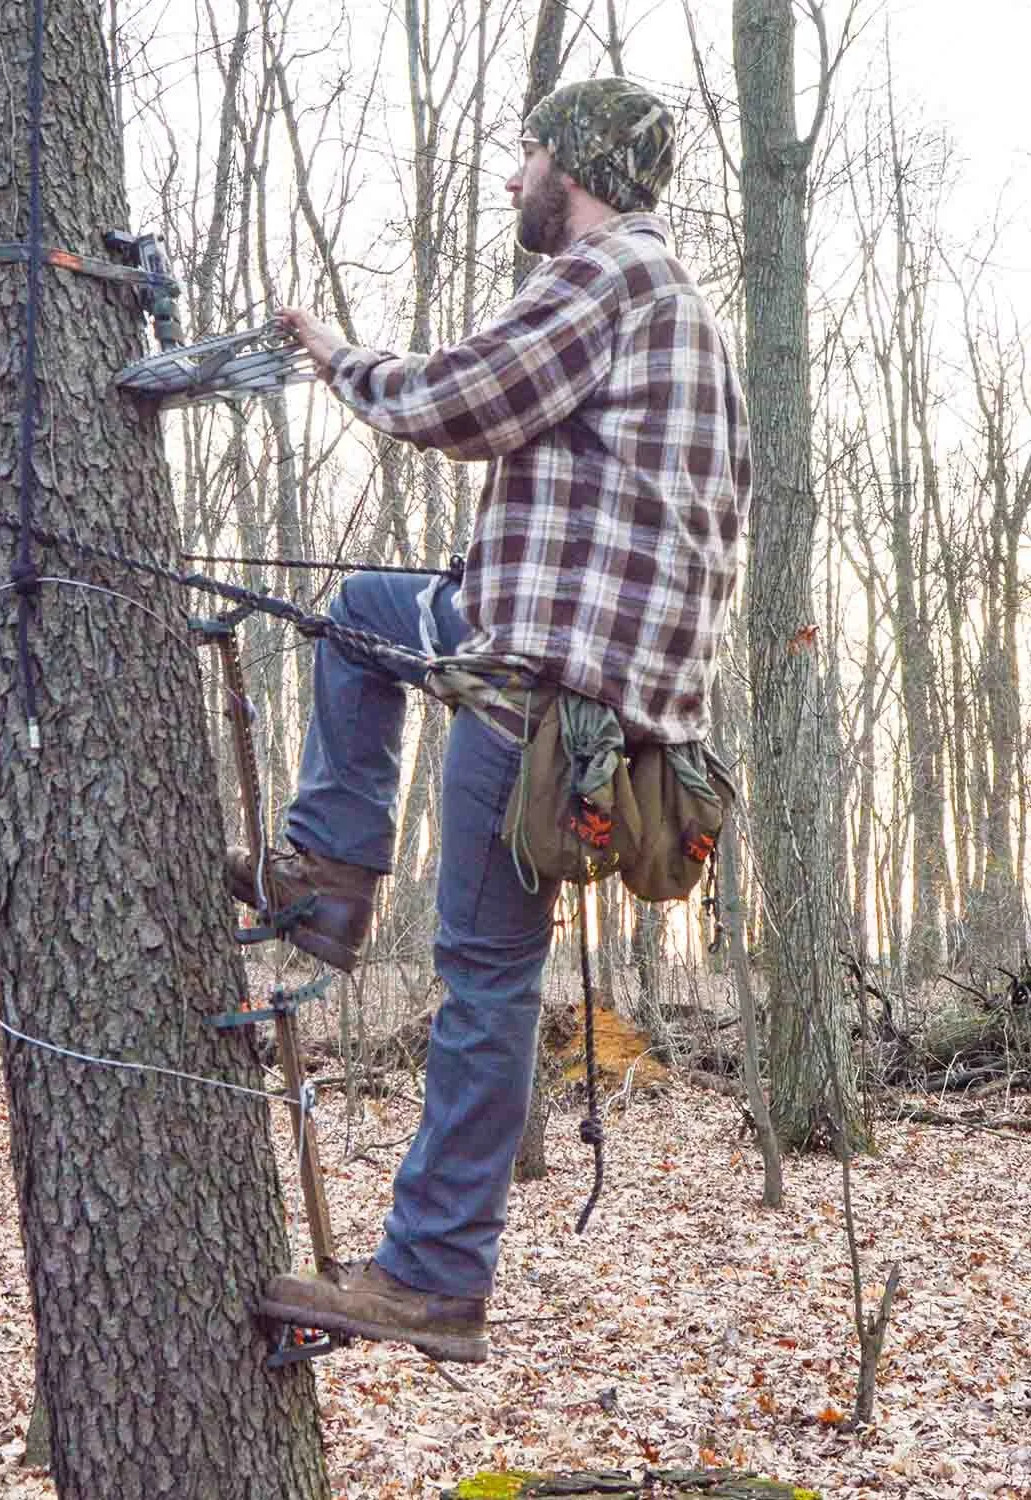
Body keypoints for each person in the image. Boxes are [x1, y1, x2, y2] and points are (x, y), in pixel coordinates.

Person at [235, 77, 752, 1363]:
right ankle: (333, 881)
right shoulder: (677, 308)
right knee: (362, 609)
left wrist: (331, 355)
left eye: (528, 151)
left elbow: (460, 401)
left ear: (573, 166)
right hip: (567, 683)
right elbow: (625, 520)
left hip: (540, 699)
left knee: (485, 977)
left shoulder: (608, 274)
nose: (514, 174)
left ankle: (434, 1273)